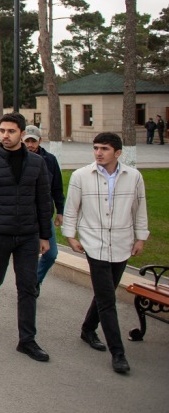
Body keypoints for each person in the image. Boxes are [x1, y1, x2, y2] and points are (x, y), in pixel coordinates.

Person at [0, 113, 53, 363]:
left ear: (22, 134)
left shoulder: (37, 164)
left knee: (27, 287)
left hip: (28, 235)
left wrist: (45, 235)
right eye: (2, 130)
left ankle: (27, 340)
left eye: (11, 131)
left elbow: (43, 202)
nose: (5, 135)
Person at [63, 132, 148, 374]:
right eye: (96, 148)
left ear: (118, 153)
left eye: (105, 149)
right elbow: (72, 208)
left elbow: (140, 208)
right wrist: (70, 236)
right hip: (94, 243)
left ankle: (88, 329)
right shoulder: (81, 176)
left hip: (122, 244)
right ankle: (118, 353)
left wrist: (140, 237)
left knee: (104, 292)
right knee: (107, 300)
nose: (99, 153)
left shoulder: (133, 177)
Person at [23, 125, 65, 294]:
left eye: (33, 141)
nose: (30, 145)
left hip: (45, 214)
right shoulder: (20, 159)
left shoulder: (50, 160)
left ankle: (35, 281)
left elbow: (57, 188)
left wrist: (60, 211)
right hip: (26, 216)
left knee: (51, 253)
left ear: (40, 141)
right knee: (30, 254)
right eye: (27, 141)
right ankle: (28, 286)